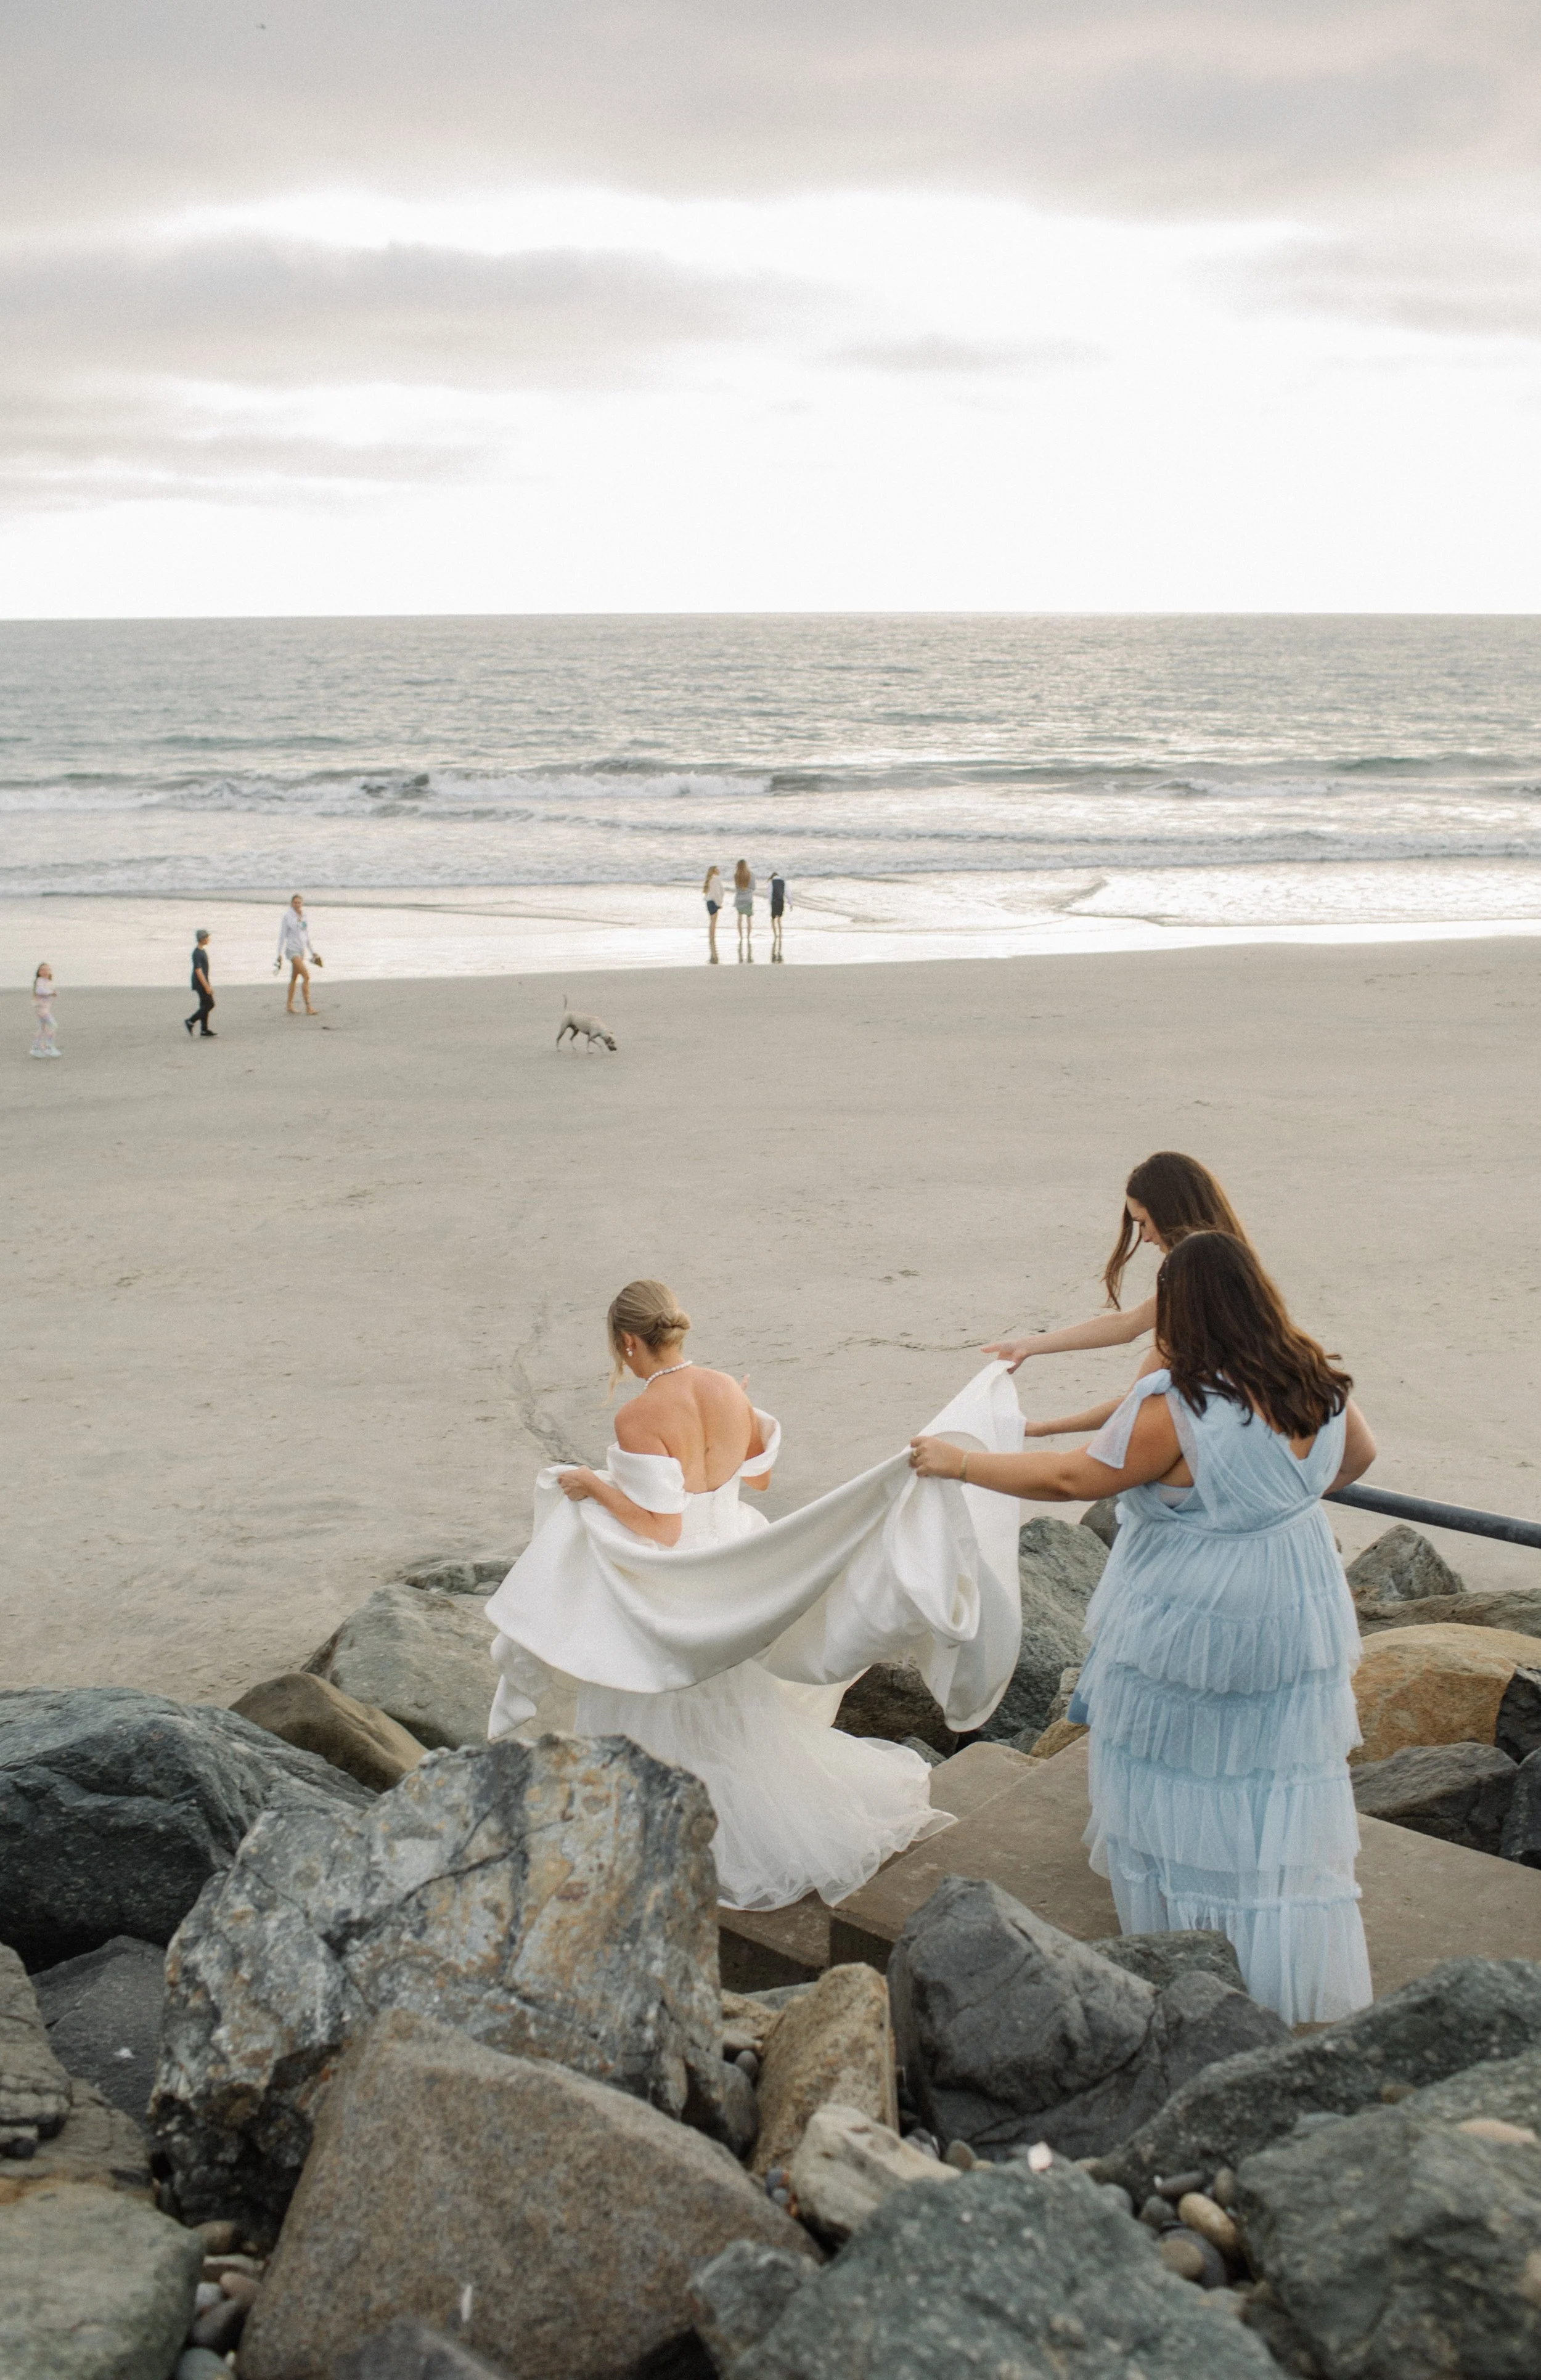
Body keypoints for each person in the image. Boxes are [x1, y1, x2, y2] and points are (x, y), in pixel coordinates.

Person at [912, 1231, 1376, 2024]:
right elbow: (1357, 1458)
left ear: (1187, 1313)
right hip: (1294, 1594)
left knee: (1177, 1764)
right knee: (1269, 1768)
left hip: (1202, 1611)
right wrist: (1271, 1506)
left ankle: (1193, 1953)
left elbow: (1072, 1476)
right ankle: (1280, 1955)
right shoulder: (1315, 1379)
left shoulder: (1183, 1407)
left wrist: (960, 1464)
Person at [485, 1280, 1028, 1910]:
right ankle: (744, 1823)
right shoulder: (722, 1387)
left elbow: (659, 1524)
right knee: (729, 1717)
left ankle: (668, 1841)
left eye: (619, 1350)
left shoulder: (637, 1415)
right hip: (737, 1576)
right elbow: (759, 1475)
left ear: (629, 1341)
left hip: (679, 1590)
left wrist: (590, 1483)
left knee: (653, 1712)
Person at [985, 1151, 1251, 1437]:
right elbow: (1129, 1324)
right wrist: (1028, 1345)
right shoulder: (1234, 1267)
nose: (1145, 1237)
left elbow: (1137, 1402)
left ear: (1172, 1213)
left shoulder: (1191, 1283)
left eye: (1144, 1223)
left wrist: (1038, 1429)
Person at [275, 894, 321, 1014]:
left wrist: (313, 952)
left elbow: (306, 937)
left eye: (299, 903)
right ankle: (308, 1006)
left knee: (294, 978)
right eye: (295, 903)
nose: (297, 905)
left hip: (301, 951)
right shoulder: (288, 917)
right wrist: (279, 954)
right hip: (292, 950)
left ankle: (289, 1005)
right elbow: (282, 936)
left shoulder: (304, 916)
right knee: (306, 976)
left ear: (302, 904)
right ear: (291, 904)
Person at [184, 931, 216, 1038]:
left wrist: (208, 983)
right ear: (202, 939)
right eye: (207, 937)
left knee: (204, 1005)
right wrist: (206, 986)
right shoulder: (197, 953)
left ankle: (204, 1030)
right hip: (200, 983)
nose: (208, 939)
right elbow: (198, 971)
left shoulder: (203, 951)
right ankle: (191, 1021)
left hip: (203, 981)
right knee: (210, 1004)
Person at [30, 964, 59, 1058]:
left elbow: (49, 992)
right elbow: (40, 991)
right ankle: (49, 1047)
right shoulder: (40, 981)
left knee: (42, 1028)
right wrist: (51, 993)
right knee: (53, 1025)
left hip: (45, 1008)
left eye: (48, 969)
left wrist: (54, 993)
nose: (46, 971)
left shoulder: (48, 981)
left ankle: (36, 1048)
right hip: (41, 1009)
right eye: (43, 970)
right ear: (39, 972)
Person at [733, 859, 754, 959]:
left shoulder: (736, 876)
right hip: (748, 899)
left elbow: (737, 888)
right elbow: (753, 887)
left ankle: (741, 937)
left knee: (740, 919)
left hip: (739, 899)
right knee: (749, 919)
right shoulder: (751, 875)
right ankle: (749, 937)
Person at [703, 866, 724, 963]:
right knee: (714, 922)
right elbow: (719, 892)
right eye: (718, 869)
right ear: (715, 871)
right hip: (714, 902)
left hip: (708, 902)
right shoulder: (717, 879)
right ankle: (712, 938)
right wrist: (719, 903)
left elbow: (709, 893)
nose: (719, 871)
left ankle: (711, 937)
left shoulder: (710, 879)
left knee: (711, 921)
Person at [769, 868, 787, 960]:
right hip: (781, 902)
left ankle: (775, 934)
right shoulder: (783, 882)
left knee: (773, 919)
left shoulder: (772, 883)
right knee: (779, 919)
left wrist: (770, 903)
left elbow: (770, 894)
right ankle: (780, 933)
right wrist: (791, 903)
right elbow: (788, 893)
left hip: (774, 902)